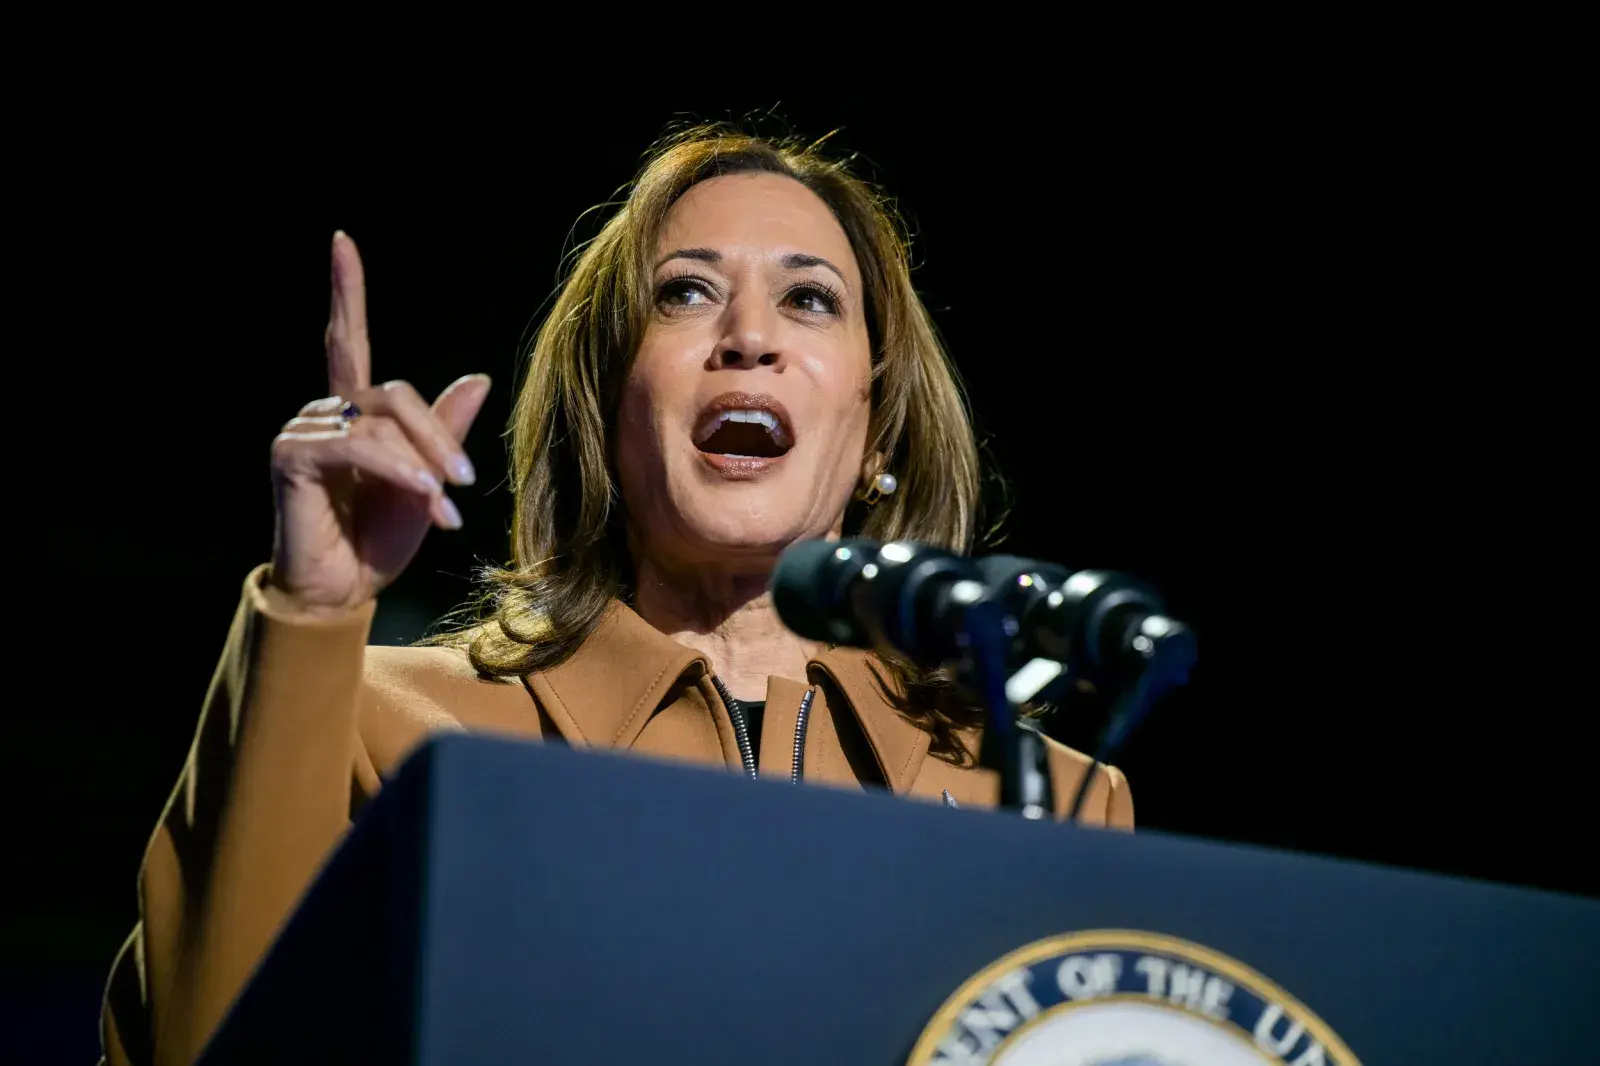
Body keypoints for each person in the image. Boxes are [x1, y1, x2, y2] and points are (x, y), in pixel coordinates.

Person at [100, 124, 1134, 1066]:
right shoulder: (396, 734)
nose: (747, 336)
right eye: (683, 292)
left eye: (808, 297)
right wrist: (312, 608)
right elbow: (201, 1044)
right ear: (607, 405)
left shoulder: (1048, 801)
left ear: (879, 427)